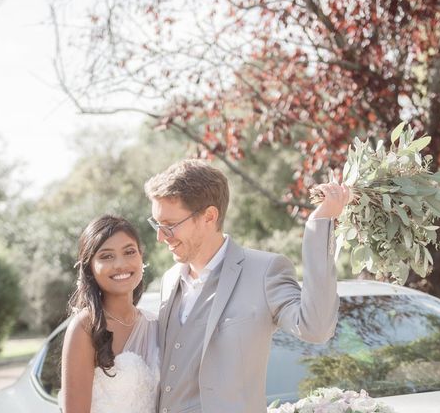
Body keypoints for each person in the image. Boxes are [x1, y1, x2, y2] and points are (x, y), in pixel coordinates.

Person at [144, 159, 350, 413]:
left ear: (209, 216)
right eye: (157, 224)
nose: (160, 236)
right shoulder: (169, 279)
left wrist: (321, 224)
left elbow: (316, 328)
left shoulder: (264, 271)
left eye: (169, 226)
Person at [59, 215, 159, 413]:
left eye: (129, 252)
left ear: (141, 258)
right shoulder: (85, 327)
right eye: (106, 256)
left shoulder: (156, 324)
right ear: (90, 268)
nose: (120, 264)